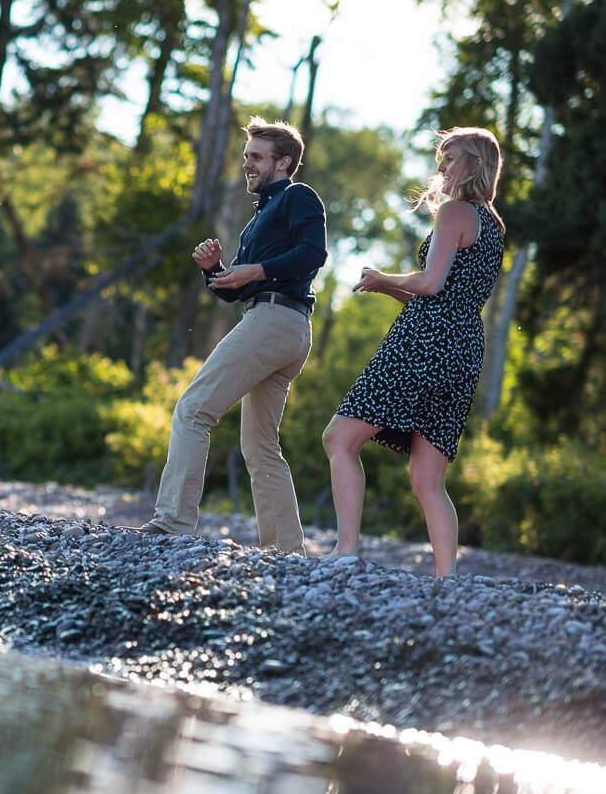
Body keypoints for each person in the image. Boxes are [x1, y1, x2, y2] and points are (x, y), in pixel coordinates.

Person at [322, 127, 506, 576]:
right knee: (428, 480)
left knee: (339, 439)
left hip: (423, 342)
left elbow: (430, 285)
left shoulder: (454, 212)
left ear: (476, 165)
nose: (441, 168)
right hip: (463, 347)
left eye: (450, 158)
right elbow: (448, 295)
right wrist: (388, 289)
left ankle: (346, 550)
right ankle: (447, 581)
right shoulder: (494, 225)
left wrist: (385, 277)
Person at [141, 118, 328, 552]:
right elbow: (235, 290)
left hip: (276, 321)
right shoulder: (257, 221)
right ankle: (286, 550)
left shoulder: (298, 196)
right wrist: (214, 271)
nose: (248, 164)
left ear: (283, 162)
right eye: (246, 156)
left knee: (193, 409)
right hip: (281, 325)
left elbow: (314, 253)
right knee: (260, 445)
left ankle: (172, 522)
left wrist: (258, 270)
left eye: (257, 157)